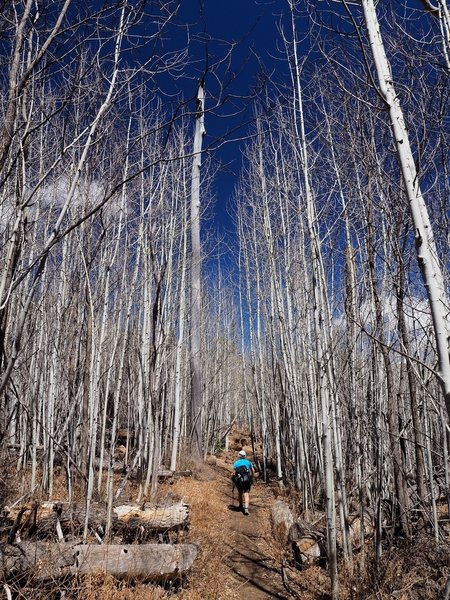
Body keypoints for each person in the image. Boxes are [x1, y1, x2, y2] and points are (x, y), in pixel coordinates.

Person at [232, 449, 254, 515]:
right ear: (245, 456)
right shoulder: (248, 462)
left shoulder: (236, 463)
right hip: (246, 480)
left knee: (240, 492)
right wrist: (252, 477)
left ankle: (240, 505)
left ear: (239, 456)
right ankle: (246, 508)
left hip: (239, 481)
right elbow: (253, 470)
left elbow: (233, 473)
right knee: (246, 493)